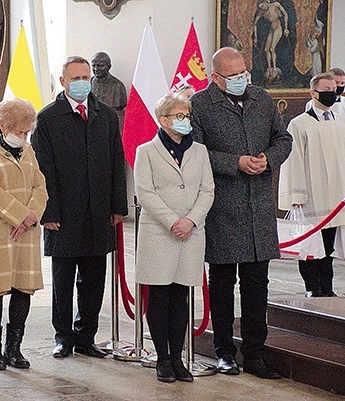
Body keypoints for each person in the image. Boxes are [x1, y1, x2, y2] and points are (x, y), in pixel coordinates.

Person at [190, 47, 292, 379]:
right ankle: (224, 352)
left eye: (243, 73)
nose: (240, 80)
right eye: (232, 76)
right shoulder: (200, 106)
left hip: (259, 208)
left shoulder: (261, 99)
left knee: (256, 285)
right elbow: (194, 153)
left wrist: (269, 159)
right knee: (221, 283)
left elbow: (283, 138)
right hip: (222, 207)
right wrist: (233, 162)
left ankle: (255, 353)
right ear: (215, 77)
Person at [32, 55, 128, 359]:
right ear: (63, 82)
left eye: (85, 77)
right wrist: (49, 213)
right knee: (63, 281)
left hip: (99, 211)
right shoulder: (47, 118)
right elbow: (42, 169)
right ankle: (63, 336)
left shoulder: (106, 116)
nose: (82, 83)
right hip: (63, 213)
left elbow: (116, 164)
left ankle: (87, 337)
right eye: (75, 79)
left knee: (94, 279)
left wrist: (118, 206)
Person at [134, 93, 214, 383]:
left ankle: (178, 358)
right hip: (160, 232)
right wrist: (173, 222)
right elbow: (146, 193)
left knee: (181, 295)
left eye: (187, 115)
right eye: (178, 116)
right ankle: (162, 359)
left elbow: (207, 190)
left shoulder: (200, 151)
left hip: (191, 232)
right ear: (164, 120)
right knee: (159, 294)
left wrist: (191, 220)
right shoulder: (147, 151)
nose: (184, 121)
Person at [0, 98, 48, 370]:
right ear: (2, 125)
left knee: (22, 286)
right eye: (19, 131)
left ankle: (14, 348)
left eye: (27, 132)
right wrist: (19, 214)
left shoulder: (28, 151)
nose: (23, 137)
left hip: (25, 230)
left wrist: (30, 216)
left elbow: (40, 186)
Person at [279, 72, 345, 298]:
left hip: (335, 196)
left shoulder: (340, 122)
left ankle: (327, 288)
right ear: (313, 93)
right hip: (310, 195)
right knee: (309, 245)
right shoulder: (299, 124)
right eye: (325, 90)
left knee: (328, 246)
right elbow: (293, 160)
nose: (331, 94)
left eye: (333, 89)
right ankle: (312, 287)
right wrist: (296, 195)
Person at [252, 0, 289, 81]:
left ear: (265, 2)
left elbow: (285, 14)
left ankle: (274, 68)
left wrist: (286, 28)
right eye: (260, 7)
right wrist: (255, 37)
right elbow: (254, 24)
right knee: (266, 49)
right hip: (271, 30)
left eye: (262, 6)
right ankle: (269, 68)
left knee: (272, 49)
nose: (262, 8)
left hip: (278, 28)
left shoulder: (275, 5)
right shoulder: (262, 12)